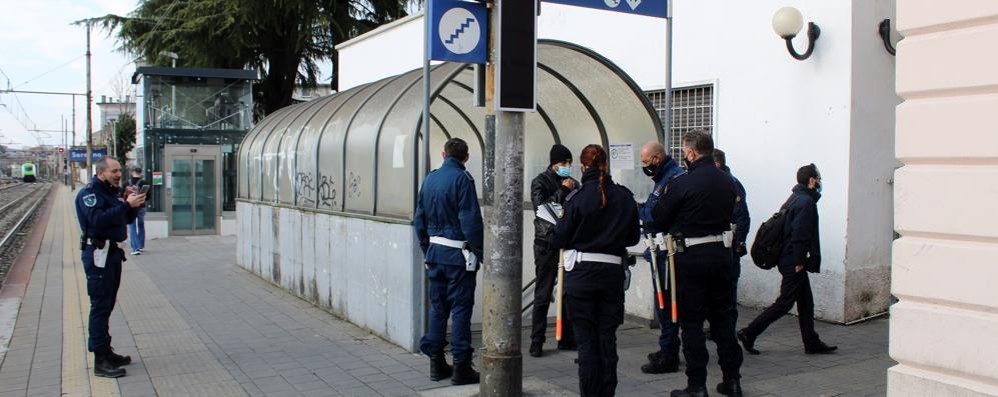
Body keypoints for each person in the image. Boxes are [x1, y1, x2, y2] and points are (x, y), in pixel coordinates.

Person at [652, 131, 743, 397]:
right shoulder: (729, 182)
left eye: (684, 152)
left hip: (691, 258)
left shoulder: (682, 183)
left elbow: (659, 217)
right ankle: (732, 380)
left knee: (691, 323)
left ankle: (697, 385)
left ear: (691, 153)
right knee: (724, 321)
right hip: (721, 256)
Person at [551, 144, 640, 396]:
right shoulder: (624, 197)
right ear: (606, 165)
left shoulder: (576, 198)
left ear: (582, 166)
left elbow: (559, 238)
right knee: (607, 339)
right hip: (611, 276)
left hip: (580, 276)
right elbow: (633, 237)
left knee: (587, 342)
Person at [737, 164, 837, 356]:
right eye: (817, 178)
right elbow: (799, 234)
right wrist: (799, 261)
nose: (819, 181)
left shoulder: (796, 198)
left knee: (806, 302)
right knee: (784, 303)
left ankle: (811, 341)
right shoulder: (806, 202)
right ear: (811, 181)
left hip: (788, 258)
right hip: (793, 261)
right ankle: (749, 332)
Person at [413, 138, 483, 385]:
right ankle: (462, 366)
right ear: (465, 158)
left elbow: (419, 219)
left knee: (438, 308)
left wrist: (426, 251)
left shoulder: (430, 179)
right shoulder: (463, 179)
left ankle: (436, 364)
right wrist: (481, 253)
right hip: (458, 256)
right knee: (461, 309)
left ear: (443, 155)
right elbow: (471, 221)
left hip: (435, 254)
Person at [75, 157, 146, 378]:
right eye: (114, 171)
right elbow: (98, 221)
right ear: (101, 172)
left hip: (112, 254)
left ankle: (107, 352)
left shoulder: (111, 191)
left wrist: (135, 205)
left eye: (119, 171)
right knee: (100, 306)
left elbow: (123, 219)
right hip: (97, 254)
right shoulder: (90, 194)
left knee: (108, 304)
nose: (118, 174)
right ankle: (100, 360)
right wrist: (125, 204)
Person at [637, 141, 685, 374]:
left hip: (667, 253)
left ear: (657, 159)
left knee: (665, 304)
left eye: (645, 162)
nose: (644, 167)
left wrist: (643, 213)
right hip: (659, 251)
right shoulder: (663, 179)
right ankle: (668, 347)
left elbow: (655, 216)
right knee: (663, 303)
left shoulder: (673, 179)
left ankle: (669, 354)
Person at [528, 144, 579, 357]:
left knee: (568, 293)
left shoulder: (575, 183)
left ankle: (566, 337)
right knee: (543, 293)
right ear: (553, 163)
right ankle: (536, 341)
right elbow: (542, 209)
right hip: (546, 243)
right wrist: (564, 190)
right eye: (563, 163)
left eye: (569, 163)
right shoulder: (540, 181)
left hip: (568, 243)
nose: (567, 166)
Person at [125, 167, 148, 255]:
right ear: (140, 173)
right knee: (141, 225)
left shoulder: (127, 183)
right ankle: (141, 246)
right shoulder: (144, 183)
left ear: (132, 172)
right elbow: (148, 196)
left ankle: (135, 248)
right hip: (141, 207)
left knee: (132, 226)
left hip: (131, 206)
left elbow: (121, 194)